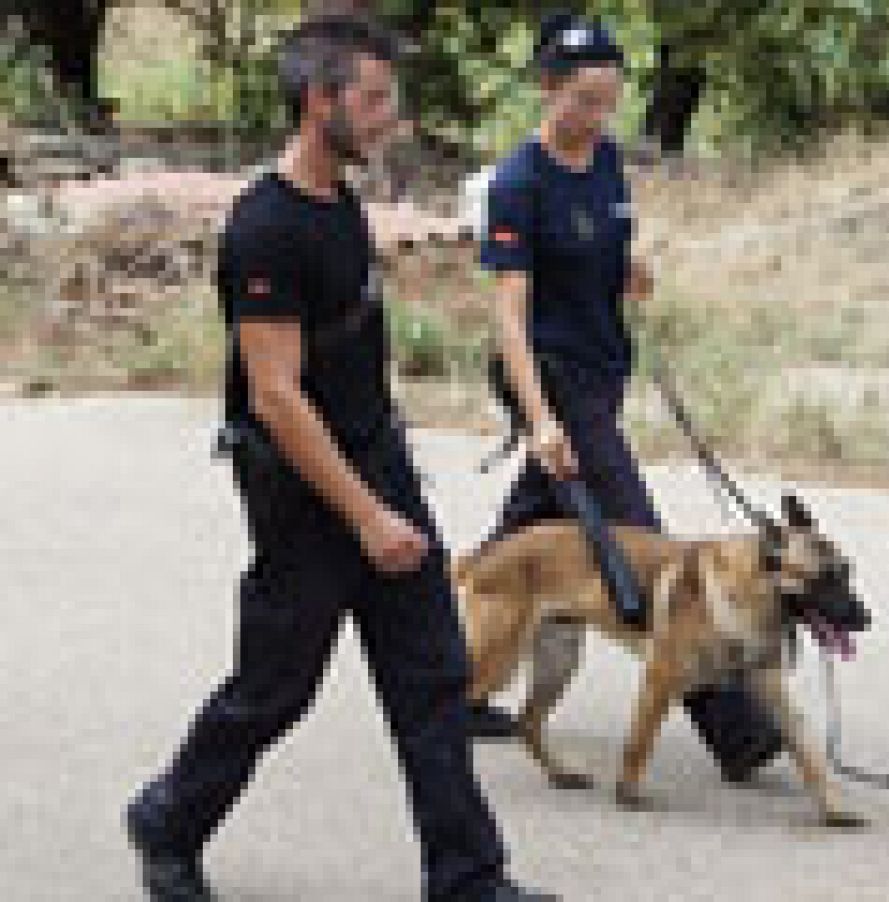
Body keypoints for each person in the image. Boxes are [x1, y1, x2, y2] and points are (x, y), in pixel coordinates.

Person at [122, 16, 553, 902]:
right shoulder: (265, 229)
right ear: (320, 103)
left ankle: (468, 880)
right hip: (308, 495)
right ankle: (169, 819)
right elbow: (277, 394)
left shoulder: (340, 205)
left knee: (431, 678)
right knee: (274, 688)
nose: (391, 117)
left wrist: (390, 481)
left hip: (376, 468)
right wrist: (365, 515)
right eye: (374, 99)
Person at [464, 12, 784, 784]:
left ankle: (445, 671)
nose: (596, 117)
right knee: (637, 538)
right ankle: (733, 723)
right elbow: (510, 312)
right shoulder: (518, 183)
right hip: (551, 372)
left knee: (535, 525)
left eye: (608, 101)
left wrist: (632, 275)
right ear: (548, 89)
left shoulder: (606, 164)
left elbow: (609, 252)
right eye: (582, 100)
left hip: (603, 368)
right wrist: (539, 420)